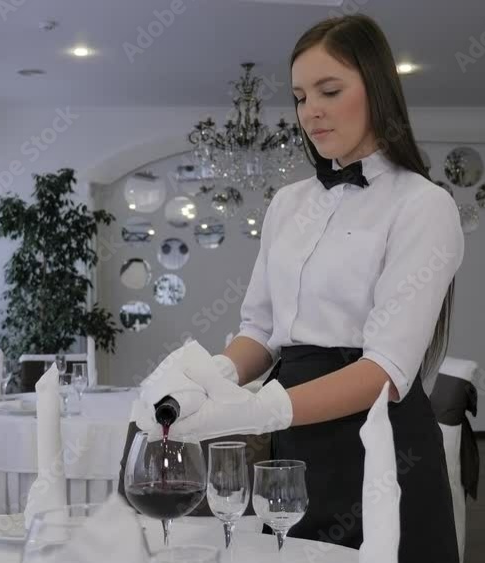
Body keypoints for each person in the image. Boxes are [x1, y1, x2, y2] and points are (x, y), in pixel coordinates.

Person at [134, 14, 463, 562]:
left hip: (379, 442)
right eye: (300, 96)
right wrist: (210, 380)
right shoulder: (288, 203)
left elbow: (386, 370)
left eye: (329, 91)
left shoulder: (424, 205)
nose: (310, 111)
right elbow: (260, 330)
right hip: (294, 444)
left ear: (378, 90)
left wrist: (255, 412)